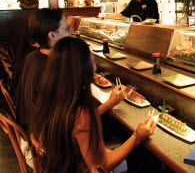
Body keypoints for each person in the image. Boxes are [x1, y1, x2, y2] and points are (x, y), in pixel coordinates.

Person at [15, 9, 125, 168]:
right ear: (52, 36)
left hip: (36, 139)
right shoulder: (48, 71)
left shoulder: (33, 57)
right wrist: (110, 103)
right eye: (67, 29)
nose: (72, 32)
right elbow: (72, 123)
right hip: (43, 153)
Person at [30, 37, 156, 172]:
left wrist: (110, 103)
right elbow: (101, 166)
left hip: (61, 165)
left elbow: (76, 125)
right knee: (149, 160)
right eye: (92, 60)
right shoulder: (82, 116)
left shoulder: (51, 98)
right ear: (84, 69)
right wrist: (137, 136)